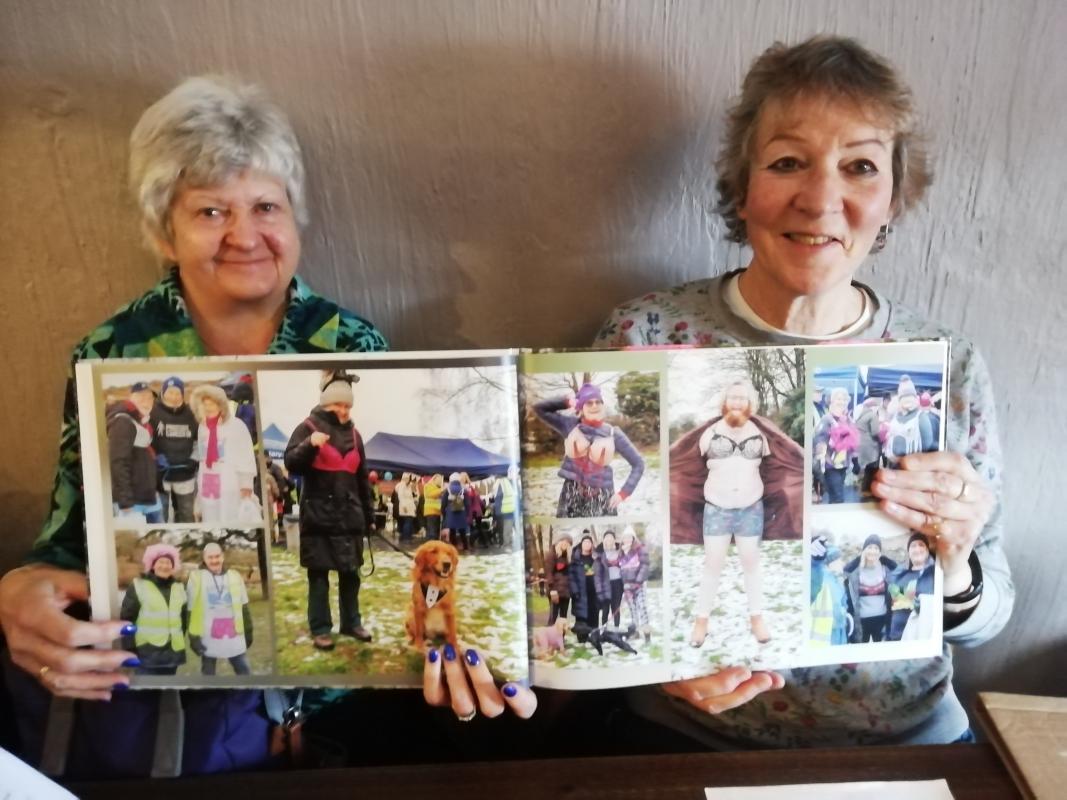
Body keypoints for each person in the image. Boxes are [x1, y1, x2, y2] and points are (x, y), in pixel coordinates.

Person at [0, 75, 530, 779]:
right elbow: (75, 538)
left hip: (342, 709)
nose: (245, 235)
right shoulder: (114, 353)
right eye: (211, 211)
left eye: (265, 207)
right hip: (191, 710)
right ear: (165, 231)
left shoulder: (349, 344)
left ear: (295, 221)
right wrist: (22, 587)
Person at [595, 36, 1009, 747]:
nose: (820, 201)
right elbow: (596, 554)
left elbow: (990, 613)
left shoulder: (948, 362)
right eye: (787, 162)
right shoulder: (643, 337)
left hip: (903, 739)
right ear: (741, 187)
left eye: (859, 167)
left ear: (890, 198)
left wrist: (955, 562)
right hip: (691, 735)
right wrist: (653, 663)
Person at [673, 378, 800, 647]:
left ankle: (757, 619)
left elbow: (778, 463)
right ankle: (701, 622)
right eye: (733, 397)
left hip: (750, 509)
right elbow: (687, 465)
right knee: (712, 566)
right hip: (717, 509)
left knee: (751, 564)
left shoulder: (761, 432)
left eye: (742, 398)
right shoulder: (709, 433)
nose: (737, 402)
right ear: (724, 402)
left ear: (749, 403)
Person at [284, 372, 374, 650]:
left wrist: (368, 518)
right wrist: (309, 446)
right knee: (319, 579)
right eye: (338, 405)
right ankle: (321, 628)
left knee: (351, 575)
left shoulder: (356, 435)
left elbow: (362, 480)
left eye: (347, 406)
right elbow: (291, 464)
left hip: (349, 519)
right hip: (319, 519)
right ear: (326, 403)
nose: (344, 411)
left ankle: (351, 623)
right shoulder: (308, 427)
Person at [533, 382, 645, 518]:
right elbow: (539, 408)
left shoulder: (613, 433)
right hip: (571, 495)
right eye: (589, 403)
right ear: (581, 407)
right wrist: (568, 402)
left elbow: (638, 464)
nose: (594, 406)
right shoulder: (569, 425)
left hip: (602, 497)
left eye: (598, 402)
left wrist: (623, 493)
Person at [190, 383, 259, 524]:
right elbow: (202, 459)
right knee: (211, 518)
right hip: (208, 480)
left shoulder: (237, 425)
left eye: (212, 404)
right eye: (205, 404)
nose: (208, 408)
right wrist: (199, 490)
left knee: (230, 517)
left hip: (230, 480)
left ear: (221, 405)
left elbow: (246, 455)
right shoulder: (202, 428)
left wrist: (246, 484)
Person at [119, 543, 187, 676]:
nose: (165, 566)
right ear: (152, 564)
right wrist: (129, 647)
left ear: (173, 566)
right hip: (146, 652)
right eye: (161, 562)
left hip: (173, 653)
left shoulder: (179, 587)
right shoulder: (139, 586)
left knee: (168, 691)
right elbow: (127, 618)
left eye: (169, 563)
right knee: (146, 694)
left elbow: (183, 618)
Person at [186, 542, 253, 676]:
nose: (214, 560)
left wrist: (248, 630)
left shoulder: (235, 576)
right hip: (207, 635)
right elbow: (190, 610)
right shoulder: (196, 578)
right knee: (208, 674)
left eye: (217, 556)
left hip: (234, 635)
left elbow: (244, 606)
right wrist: (193, 638)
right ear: (204, 558)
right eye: (210, 557)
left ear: (222, 557)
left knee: (244, 671)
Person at [108, 380, 164, 524]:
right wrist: (125, 501)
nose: (146, 402)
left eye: (149, 398)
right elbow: (118, 462)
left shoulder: (141, 422)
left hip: (149, 496)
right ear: (131, 398)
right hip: (133, 502)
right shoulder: (123, 421)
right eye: (141, 397)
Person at [150, 376, 199, 523]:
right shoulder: (152, 412)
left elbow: (198, 441)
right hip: (161, 476)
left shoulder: (191, 413)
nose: (174, 397)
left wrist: (194, 459)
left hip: (185, 475)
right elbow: (145, 440)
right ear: (163, 393)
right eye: (170, 392)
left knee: (187, 514)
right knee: (162, 515)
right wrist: (154, 459)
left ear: (182, 395)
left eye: (177, 393)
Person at [842, 534, 896, 643]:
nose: (873, 551)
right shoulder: (856, 571)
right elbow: (846, 572)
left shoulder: (886, 569)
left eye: (876, 548)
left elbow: (898, 572)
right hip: (861, 622)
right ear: (864, 550)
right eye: (869, 547)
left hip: (882, 620)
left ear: (880, 552)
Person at [813, 387, 860, 504]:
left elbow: (853, 442)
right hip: (830, 466)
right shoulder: (826, 420)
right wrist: (819, 466)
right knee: (838, 497)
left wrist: (856, 461)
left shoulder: (848, 420)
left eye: (844, 399)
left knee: (835, 497)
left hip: (843, 465)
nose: (841, 402)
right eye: (838, 399)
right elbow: (819, 441)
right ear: (831, 401)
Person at [888, 532, 936, 641]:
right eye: (913, 546)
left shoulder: (935, 574)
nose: (917, 549)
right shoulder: (899, 576)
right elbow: (894, 600)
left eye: (921, 545)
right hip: (898, 635)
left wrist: (921, 602)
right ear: (909, 553)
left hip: (925, 636)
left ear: (928, 551)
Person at [884, 375, 937, 467]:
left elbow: (927, 445)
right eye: (904, 397)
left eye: (909, 396)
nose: (907, 400)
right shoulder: (895, 417)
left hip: (915, 466)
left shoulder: (921, 417)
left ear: (915, 398)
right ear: (899, 400)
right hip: (895, 465)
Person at [809, 535, 850, 646]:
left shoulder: (837, 581)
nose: (842, 563)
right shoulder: (821, 579)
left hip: (839, 636)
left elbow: (843, 606)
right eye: (838, 560)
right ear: (829, 563)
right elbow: (813, 582)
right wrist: (814, 562)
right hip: (825, 639)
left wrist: (847, 618)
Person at [618, 527, 652, 645]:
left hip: (639, 585)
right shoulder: (621, 552)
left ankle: (647, 635)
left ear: (633, 538)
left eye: (629, 537)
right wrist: (625, 585)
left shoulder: (640, 549)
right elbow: (621, 570)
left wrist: (638, 582)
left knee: (642, 608)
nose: (627, 539)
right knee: (633, 610)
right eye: (624, 537)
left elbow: (645, 565)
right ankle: (635, 632)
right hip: (627, 587)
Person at [569, 530, 603, 632]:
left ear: (592, 545)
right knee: (581, 614)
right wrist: (574, 591)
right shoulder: (575, 559)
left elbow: (601, 574)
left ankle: (593, 634)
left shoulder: (596, 558)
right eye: (585, 542)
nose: (587, 544)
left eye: (589, 542)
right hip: (580, 593)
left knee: (594, 613)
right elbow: (571, 576)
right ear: (581, 544)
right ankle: (582, 637)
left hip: (594, 592)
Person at [853, 396, 883, 498]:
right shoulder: (872, 415)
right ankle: (866, 489)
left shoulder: (860, 414)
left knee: (863, 466)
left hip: (860, 444)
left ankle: (860, 485)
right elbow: (875, 432)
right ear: (873, 406)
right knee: (871, 467)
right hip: (870, 445)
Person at [596, 530, 624, 630]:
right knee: (605, 608)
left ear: (614, 539)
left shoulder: (619, 550)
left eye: (611, 537)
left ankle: (616, 629)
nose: (609, 539)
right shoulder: (599, 553)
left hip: (617, 582)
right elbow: (597, 572)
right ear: (604, 540)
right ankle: (604, 629)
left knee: (616, 607)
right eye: (607, 537)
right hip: (605, 584)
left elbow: (625, 564)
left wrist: (618, 564)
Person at [546, 532, 573, 625]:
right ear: (559, 542)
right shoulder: (552, 553)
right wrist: (552, 590)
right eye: (563, 541)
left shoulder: (569, 557)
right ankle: (549, 637)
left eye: (568, 542)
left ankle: (561, 638)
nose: (565, 544)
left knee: (563, 618)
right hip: (555, 590)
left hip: (566, 592)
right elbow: (548, 572)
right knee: (553, 616)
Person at [442, 472, 471, 551]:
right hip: (462, 513)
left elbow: (443, 503)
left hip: (450, 514)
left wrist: (444, 513)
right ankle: (466, 547)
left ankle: (454, 548)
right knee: (462, 531)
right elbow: (468, 504)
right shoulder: (464, 490)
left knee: (452, 531)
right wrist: (467, 514)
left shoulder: (447, 490)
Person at [493, 467, 519, 547]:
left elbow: (498, 497)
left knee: (507, 528)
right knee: (509, 528)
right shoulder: (508, 482)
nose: (517, 475)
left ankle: (507, 543)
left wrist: (497, 513)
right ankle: (508, 543)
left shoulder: (503, 483)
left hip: (507, 509)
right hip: (510, 509)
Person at [396, 472, 420, 544]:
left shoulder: (411, 486)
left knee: (409, 522)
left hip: (411, 507)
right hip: (405, 507)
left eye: (408, 479)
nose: (407, 480)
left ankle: (407, 537)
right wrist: (404, 506)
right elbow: (400, 496)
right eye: (406, 478)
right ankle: (406, 538)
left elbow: (416, 496)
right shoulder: (401, 485)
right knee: (407, 522)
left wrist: (414, 489)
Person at [422, 474, 445, 541]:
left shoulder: (438, 488)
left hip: (437, 512)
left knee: (435, 530)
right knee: (432, 530)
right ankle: (431, 543)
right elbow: (430, 494)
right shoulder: (428, 486)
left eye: (441, 480)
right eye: (439, 480)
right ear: (434, 479)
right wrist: (441, 490)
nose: (440, 481)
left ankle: (434, 543)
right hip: (431, 511)